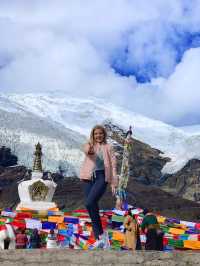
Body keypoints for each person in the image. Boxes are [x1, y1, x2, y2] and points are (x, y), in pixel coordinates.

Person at [80, 125, 118, 248]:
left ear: (104, 134)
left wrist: (114, 183)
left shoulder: (109, 147)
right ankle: (100, 238)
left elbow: (113, 166)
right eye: (96, 133)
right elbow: (86, 150)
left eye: (100, 133)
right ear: (93, 135)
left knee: (90, 202)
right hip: (88, 178)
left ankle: (101, 236)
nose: (98, 136)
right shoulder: (89, 145)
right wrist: (90, 145)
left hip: (102, 176)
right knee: (91, 206)